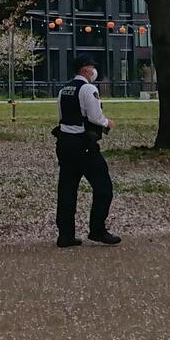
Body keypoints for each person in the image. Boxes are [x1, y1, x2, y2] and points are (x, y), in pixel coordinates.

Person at [54, 56, 119, 246]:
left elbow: (62, 116)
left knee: (67, 189)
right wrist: (108, 123)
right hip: (84, 145)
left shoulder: (63, 90)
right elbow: (95, 116)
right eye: (92, 67)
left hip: (65, 143)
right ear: (84, 70)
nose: (94, 70)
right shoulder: (88, 89)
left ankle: (65, 235)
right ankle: (97, 229)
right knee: (103, 187)